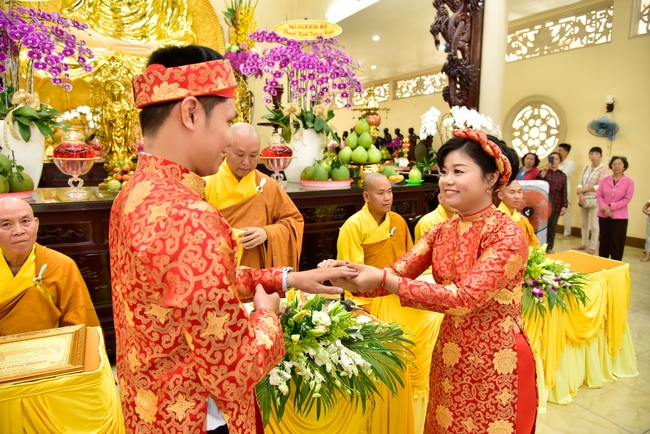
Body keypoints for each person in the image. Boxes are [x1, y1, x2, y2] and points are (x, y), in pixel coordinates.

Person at [111, 45, 356, 434]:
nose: (229, 139)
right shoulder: (190, 215)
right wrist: (267, 317)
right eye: (228, 120)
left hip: (152, 411)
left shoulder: (134, 194)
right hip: (200, 417)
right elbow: (235, 371)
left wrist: (287, 279)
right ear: (191, 113)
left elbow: (190, 287)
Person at [323, 129, 536, 434]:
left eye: (458, 171)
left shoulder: (506, 234)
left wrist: (382, 278)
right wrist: (344, 275)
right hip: (450, 353)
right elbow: (393, 275)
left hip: (496, 358)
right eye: (444, 171)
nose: (446, 180)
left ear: (490, 178)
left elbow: (464, 299)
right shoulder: (442, 230)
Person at [336, 172, 438, 434]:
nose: (387, 198)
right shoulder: (353, 226)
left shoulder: (398, 221)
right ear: (366, 196)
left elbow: (410, 261)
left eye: (390, 192)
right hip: (365, 298)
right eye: (380, 193)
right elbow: (352, 274)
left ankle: (419, 396)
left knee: (431, 319)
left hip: (396, 290)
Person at [204, 122, 304, 270]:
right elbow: (194, 229)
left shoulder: (267, 185)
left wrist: (267, 233)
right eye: (240, 155)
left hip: (256, 272)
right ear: (224, 150)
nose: (246, 162)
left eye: (253, 155)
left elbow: (294, 221)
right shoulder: (206, 182)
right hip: (217, 268)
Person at [0, 197, 100, 335]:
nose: (19, 231)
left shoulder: (62, 266)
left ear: (36, 224)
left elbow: (79, 323)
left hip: (51, 347)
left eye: (25, 221)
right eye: (6, 224)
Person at [596, 156, 634, 260]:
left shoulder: (629, 182)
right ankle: (602, 264)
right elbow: (599, 195)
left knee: (617, 244)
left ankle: (615, 265)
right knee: (604, 242)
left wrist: (611, 207)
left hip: (620, 218)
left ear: (624, 166)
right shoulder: (605, 180)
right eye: (614, 164)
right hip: (604, 215)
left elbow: (627, 199)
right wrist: (605, 208)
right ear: (611, 166)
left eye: (619, 164)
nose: (617, 166)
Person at [575, 147, 608, 255]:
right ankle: (584, 243)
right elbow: (580, 182)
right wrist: (580, 193)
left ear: (600, 156)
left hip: (595, 200)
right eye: (592, 154)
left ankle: (593, 246)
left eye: (596, 154)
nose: (593, 156)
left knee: (594, 224)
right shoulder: (586, 168)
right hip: (583, 199)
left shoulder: (603, 169)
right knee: (584, 223)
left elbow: (600, 185)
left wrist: (584, 190)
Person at [537, 152, 567, 253]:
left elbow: (564, 191)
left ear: (560, 161)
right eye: (552, 158)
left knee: (552, 227)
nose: (554, 161)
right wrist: (545, 170)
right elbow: (538, 182)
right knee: (540, 227)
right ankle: (539, 246)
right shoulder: (544, 171)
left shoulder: (562, 175)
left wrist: (564, 205)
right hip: (543, 204)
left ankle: (549, 247)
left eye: (556, 159)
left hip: (556, 204)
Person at [497, 180, 540, 248]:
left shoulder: (523, 220)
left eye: (519, 192)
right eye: (512, 192)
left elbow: (534, 244)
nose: (517, 196)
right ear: (501, 195)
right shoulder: (495, 220)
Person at [557, 143, 575, 239]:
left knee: (566, 211)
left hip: (565, 190)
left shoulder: (570, 164)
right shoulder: (557, 162)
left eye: (560, 150)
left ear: (566, 152)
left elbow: (563, 174)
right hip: (555, 191)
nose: (558, 152)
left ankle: (567, 232)